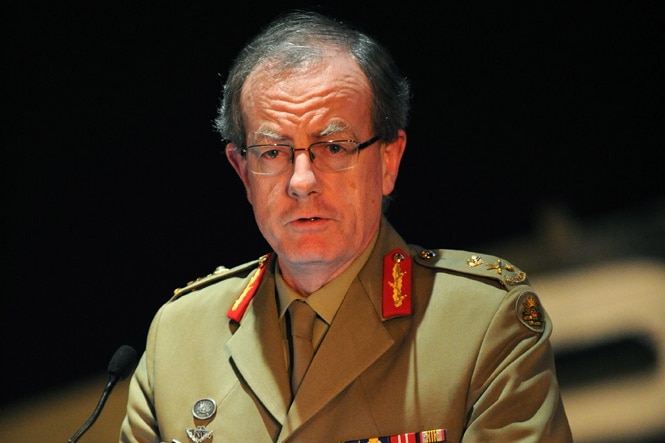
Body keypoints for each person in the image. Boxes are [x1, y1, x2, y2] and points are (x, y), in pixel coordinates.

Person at [120, 9, 573, 443]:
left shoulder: (482, 326)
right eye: (272, 152)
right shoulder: (178, 337)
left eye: (334, 148)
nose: (301, 182)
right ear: (242, 172)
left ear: (389, 160)